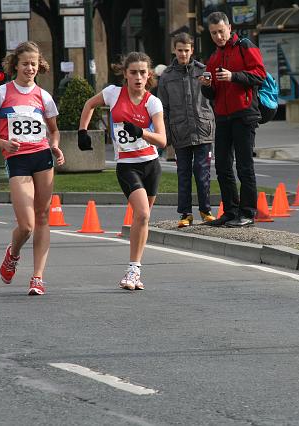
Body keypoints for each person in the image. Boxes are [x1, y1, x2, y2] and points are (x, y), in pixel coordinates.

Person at [0, 41, 64, 296]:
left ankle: (38, 277)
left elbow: (54, 131)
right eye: (25, 63)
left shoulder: (44, 96)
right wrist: (3, 143)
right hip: (18, 160)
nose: (30, 68)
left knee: (44, 217)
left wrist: (56, 147)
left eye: (34, 64)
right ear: (16, 65)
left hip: (42, 158)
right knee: (26, 225)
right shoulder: (2, 93)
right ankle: (12, 254)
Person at [77, 52, 166, 290]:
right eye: (133, 72)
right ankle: (132, 271)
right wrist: (82, 131)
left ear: (149, 76)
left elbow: (162, 140)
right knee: (143, 214)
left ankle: (134, 269)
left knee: (142, 219)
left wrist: (141, 132)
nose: (138, 77)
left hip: (151, 165)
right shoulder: (113, 94)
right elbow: (89, 104)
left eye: (143, 73)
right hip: (127, 166)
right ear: (125, 73)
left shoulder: (152, 102)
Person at [200, 11, 266, 228]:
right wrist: (206, 85)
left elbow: (259, 76)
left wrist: (233, 76)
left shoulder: (245, 46)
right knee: (222, 166)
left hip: (244, 114)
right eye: (213, 33)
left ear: (229, 28)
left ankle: (247, 213)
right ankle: (231, 211)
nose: (218, 36)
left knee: (244, 166)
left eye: (221, 31)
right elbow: (212, 94)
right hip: (223, 116)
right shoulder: (214, 57)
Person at [158, 32, 216, 228]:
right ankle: (185, 213)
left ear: (192, 50)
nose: (183, 54)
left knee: (202, 172)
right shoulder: (166, 76)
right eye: (180, 50)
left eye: (187, 50)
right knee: (183, 173)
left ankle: (205, 210)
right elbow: (163, 108)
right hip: (179, 130)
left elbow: (213, 98)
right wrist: (164, 135)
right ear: (174, 50)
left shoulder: (204, 71)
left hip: (203, 129)